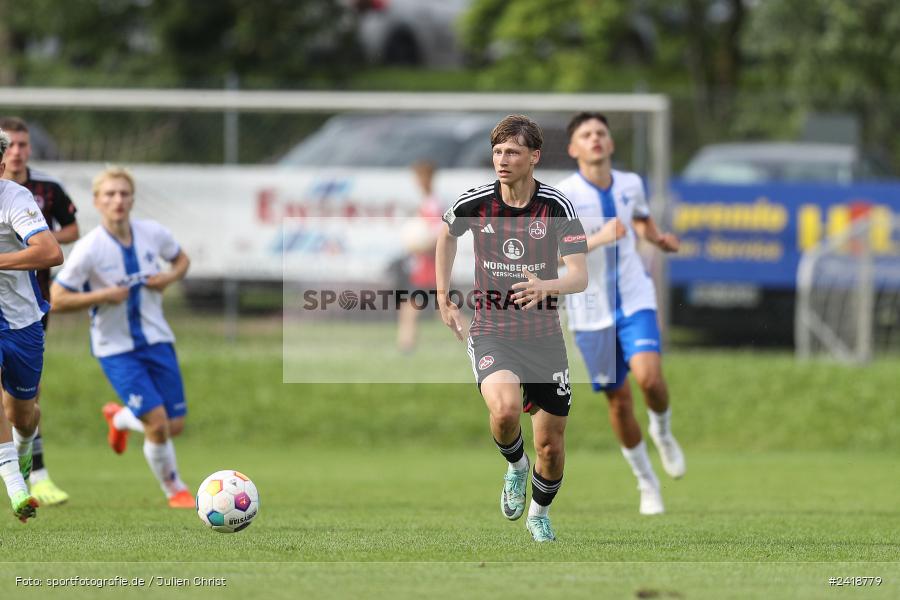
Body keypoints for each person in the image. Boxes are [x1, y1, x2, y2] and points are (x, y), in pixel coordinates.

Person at [436, 115, 588, 542]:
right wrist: (443, 296)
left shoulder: (557, 207)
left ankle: (539, 514)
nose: (502, 160)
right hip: (492, 331)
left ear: (534, 157)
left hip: (544, 341)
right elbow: (447, 235)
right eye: (498, 151)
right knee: (503, 413)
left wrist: (547, 285)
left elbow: (579, 276)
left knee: (552, 449)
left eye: (513, 152)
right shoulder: (477, 201)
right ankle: (516, 467)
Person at [558, 112, 685, 515]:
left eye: (601, 133)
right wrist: (599, 237)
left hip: (634, 297)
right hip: (590, 310)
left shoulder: (631, 183)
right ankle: (647, 483)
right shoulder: (563, 196)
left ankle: (662, 431)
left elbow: (641, 219)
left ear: (611, 144)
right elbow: (556, 255)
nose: (595, 138)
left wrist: (657, 238)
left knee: (649, 378)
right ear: (573, 148)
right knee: (618, 401)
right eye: (586, 134)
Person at [50, 166, 194, 509]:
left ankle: (120, 417)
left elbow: (182, 260)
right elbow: (56, 299)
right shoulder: (89, 249)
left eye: (124, 193)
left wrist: (168, 278)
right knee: (156, 424)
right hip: (116, 349)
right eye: (110, 194)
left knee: (174, 425)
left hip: (157, 339)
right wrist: (102, 296)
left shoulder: (152, 233)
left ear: (132, 199)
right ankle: (175, 489)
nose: (118, 200)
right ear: (97, 201)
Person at [0, 116, 79, 506]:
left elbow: (54, 249)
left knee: (23, 410)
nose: (16, 152)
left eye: (21, 145)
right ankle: (17, 485)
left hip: (24, 314)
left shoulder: (20, 196)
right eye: (10, 145)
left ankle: (28, 449)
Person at [397, 160, 443, 352]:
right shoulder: (428, 201)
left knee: (412, 308)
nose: (416, 182)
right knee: (443, 310)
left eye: (418, 177)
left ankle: (405, 347)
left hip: (429, 265)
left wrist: (420, 246)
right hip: (426, 264)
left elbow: (439, 233)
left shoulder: (432, 203)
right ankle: (406, 346)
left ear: (426, 179)